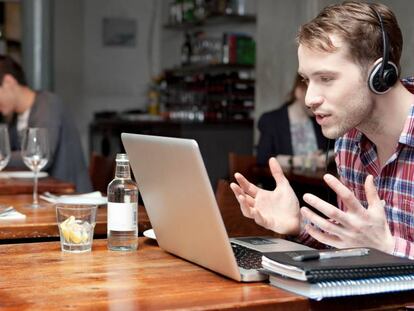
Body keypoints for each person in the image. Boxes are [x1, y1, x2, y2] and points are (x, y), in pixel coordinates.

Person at [230, 1, 414, 259]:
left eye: (326, 79)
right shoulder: (349, 141)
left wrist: (388, 248)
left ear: (380, 74)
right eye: (306, 80)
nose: (309, 99)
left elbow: (377, 248)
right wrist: (298, 224)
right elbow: (352, 248)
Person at [0, 55, 92, 193]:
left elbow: (41, 155)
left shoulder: (48, 104)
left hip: (71, 198)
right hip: (45, 195)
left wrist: (3, 157)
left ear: (9, 82)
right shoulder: (15, 118)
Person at [257, 73, 330, 169]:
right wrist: (303, 161)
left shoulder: (319, 120)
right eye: (314, 96)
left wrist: (326, 158)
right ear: (299, 92)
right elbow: (263, 158)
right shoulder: (271, 120)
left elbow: (332, 149)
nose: (318, 103)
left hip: (317, 181)